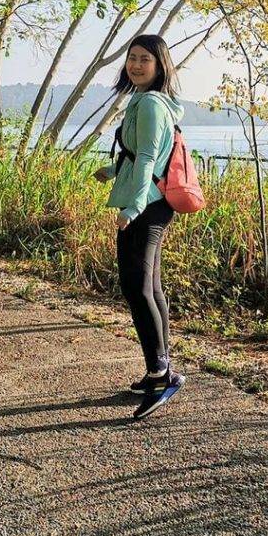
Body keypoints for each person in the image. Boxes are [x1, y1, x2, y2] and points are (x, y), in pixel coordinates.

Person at [94, 33, 186, 420]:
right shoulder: (148, 101)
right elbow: (144, 154)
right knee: (151, 287)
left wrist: (130, 206)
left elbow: (150, 156)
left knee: (135, 286)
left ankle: (161, 372)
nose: (135, 65)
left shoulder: (149, 103)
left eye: (145, 59)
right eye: (132, 58)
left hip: (146, 206)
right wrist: (114, 170)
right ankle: (160, 371)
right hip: (153, 202)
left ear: (160, 64)